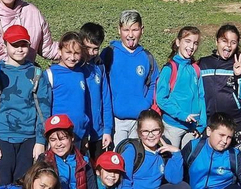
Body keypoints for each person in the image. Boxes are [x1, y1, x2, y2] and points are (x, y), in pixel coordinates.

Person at [0, 25, 44, 186]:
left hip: (29, 138)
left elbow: (44, 110)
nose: (19, 49)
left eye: (23, 45)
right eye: (14, 45)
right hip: (3, 138)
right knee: (3, 184)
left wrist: (40, 141)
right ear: (5, 45)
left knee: (24, 184)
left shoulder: (36, 74)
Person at [38, 32, 106, 156]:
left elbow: (83, 106)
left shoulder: (80, 73)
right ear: (59, 51)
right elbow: (43, 110)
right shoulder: (50, 74)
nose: (72, 57)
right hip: (59, 138)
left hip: (78, 136)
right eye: (68, 52)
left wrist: (85, 134)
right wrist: (43, 140)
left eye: (76, 53)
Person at [101, 11, 158, 149]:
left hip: (139, 122)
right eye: (126, 30)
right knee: (117, 159)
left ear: (142, 30)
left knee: (137, 159)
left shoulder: (147, 57)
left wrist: (146, 103)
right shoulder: (109, 53)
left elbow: (154, 82)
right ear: (119, 30)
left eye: (135, 29)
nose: (130, 35)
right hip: (116, 122)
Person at [155, 26, 208, 146]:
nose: (191, 46)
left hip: (192, 129)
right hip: (173, 126)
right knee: (173, 161)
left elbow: (201, 97)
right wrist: (182, 115)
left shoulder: (196, 69)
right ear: (178, 42)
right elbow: (161, 99)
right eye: (187, 41)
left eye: (195, 43)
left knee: (189, 163)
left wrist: (202, 124)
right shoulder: (170, 68)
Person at [198, 23, 241, 129]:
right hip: (210, 122)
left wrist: (239, 75)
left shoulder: (239, 65)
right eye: (224, 41)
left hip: (236, 120)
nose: (228, 46)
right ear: (216, 41)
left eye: (233, 42)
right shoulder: (203, 63)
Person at [79, 22, 114, 151]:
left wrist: (107, 129)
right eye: (87, 47)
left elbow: (105, 100)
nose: (91, 52)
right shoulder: (75, 68)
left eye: (95, 49)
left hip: (98, 133)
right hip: (79, 133)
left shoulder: (100, 67)